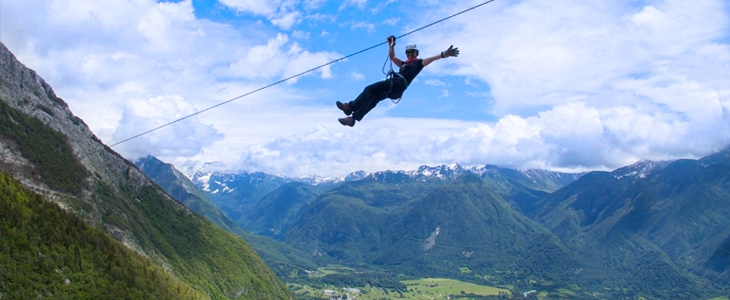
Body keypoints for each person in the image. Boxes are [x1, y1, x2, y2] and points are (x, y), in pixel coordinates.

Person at [336, 36, 459, 127]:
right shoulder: (403, 64)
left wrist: (445, 54)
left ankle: (351, 106)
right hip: (396, 89)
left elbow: (431, 59)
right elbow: (393, 57)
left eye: (412, 53)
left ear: (416, 53)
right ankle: (353, 118)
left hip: (397, 84)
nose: (410, 55)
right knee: (374, 99)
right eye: (408, 53)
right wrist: (391, 45)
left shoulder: (418, 63)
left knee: (370, 89)